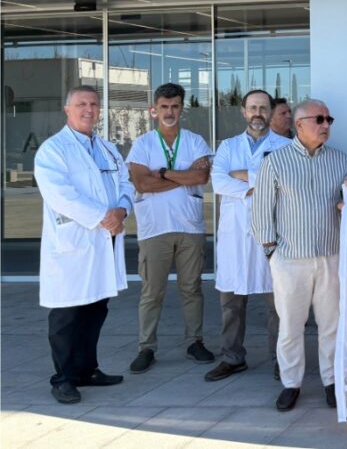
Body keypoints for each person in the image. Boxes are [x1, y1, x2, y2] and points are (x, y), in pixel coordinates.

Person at [252, 99, 347, 411]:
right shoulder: (276, 162)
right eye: (319, 119)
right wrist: (271, 252)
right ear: (299, 125)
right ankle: (291, 384)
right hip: (290, 260)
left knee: (331, 325)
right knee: (291, 327)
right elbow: (260, 212)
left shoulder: (340, 160)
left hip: (330, 256)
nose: (326, 125)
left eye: (329, 119)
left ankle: (331, 382)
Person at [35, 85, 133, 404]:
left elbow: (126, 182)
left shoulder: (107, 148)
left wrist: (122, 209)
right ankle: (62, 378)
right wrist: (104, 217)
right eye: (81, 104)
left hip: (103, 241)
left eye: (94, 104)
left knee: (95, 309)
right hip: (74, 245)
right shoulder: (53, 150)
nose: (88, 109)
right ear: (67, 109)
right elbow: (60, 195)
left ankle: (87, 370)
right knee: (66, 316)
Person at [127, 83, 215, 374]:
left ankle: (195, 342)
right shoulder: (142, 144)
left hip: (190, 227)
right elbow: (142, 183)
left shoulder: (195, 141)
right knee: (152, 292)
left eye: (175, 106)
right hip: (155, 229)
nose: (169, 112)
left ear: (182, 108)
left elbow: (202, 175)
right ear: (154, 109)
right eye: (164, 107)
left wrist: (163, 173)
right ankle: (146, 347)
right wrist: (183, 177)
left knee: (192, 288)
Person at [206, 90, 292, 382]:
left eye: (263, 108)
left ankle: (282, 360)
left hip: (272, 235)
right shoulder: (227, 147)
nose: (258, 113)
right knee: (231, 304)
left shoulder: (286, 147)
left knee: (278, 304)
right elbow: (218, 181)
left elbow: (286, 184)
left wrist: (244, 174)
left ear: (270, 112)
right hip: (234, 237)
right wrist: (260, 181)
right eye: (252, 107)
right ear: (243, 111)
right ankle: (232, 357)